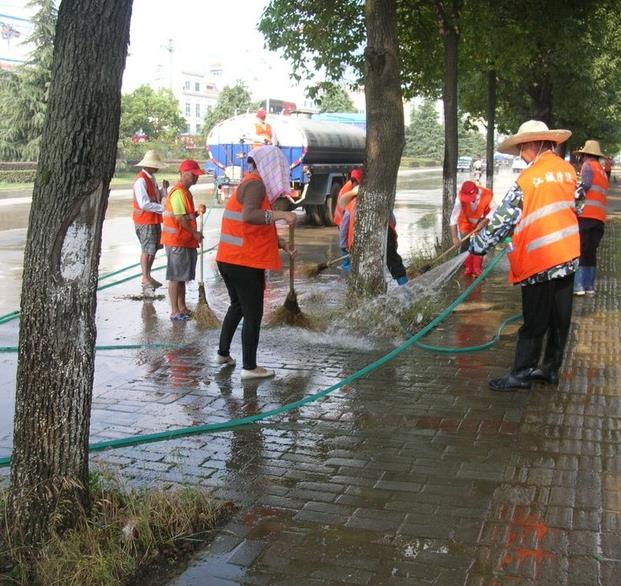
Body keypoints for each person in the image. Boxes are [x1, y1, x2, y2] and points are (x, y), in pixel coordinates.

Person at [469, 120, 581, 392]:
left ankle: (521, 374)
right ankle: (550, 369)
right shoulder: (569, 171)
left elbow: (503, 220)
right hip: (567, 256)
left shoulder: (527, 180)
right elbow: (579, 203)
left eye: (522, 148)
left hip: (540, 260)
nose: (520, 155)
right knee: (559, 319)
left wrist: (478, 245)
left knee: (534, 321)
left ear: (534, 143)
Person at [215, 145, 297, 380]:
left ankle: (223, 353)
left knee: (238, 307)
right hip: (243, 263)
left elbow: (252, 226)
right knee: (253, 314)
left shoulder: (250, 182)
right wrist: (282, 215)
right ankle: (249, 367)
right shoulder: (256, 184)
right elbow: (249, 216)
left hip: (230, 259)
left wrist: (279, 243)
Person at [338, 169, 408, 285]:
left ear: (354, 184)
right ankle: (406, 290)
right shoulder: (380, 198)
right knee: (394, 263)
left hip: (361, 239)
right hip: (386, 235)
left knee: (361, 267)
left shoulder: (352, 204)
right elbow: (393, 221)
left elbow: (344, 227)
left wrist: (343, 247)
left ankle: (360, 290)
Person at [160, 159, 207, 321]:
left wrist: (196, 213)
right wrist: (194, 233)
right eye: (194, 175)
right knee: (175, 277)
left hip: (183, 240)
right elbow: (179, 218)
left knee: (181, 277)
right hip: (177, 241)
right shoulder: (179, 192)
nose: (196, 178)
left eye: (197, 176)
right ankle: (175, 311)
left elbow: (185, 216)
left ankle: (182, 307)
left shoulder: (185, 192)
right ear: (185, 174)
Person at [572, 140, 608, 296]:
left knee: (580, 250)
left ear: (585, 155)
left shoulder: (588, 166)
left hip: (586, 216)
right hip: (599, 219)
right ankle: (589, 287)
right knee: (591, 253)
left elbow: (585, 185)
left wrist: (573, 194)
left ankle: (579, 286)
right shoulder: (601, 170)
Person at [132, 150, 169, 291]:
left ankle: (148, 275)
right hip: (144, 220)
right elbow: (144, 204)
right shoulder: (141, 180)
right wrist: (163, 208)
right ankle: (145, 277)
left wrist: (163, 189)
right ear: (150, 166)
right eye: (156, 166)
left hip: (153, 219)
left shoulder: (151, 179)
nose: (157, 168)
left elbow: (156, 196)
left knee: (153, 249)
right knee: (147, 250)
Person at [450, 180, 494, 277]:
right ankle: (467, 268)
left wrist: (484, 221)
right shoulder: (459, 196)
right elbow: (453, 216)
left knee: (480, 243)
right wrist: (454, 237)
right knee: (465, 244)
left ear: (476, 192)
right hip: (465, 221)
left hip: (481, 221)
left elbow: (494, 210)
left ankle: (477, 269)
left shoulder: (487, 194)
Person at [334, 168, 362, 269]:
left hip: (344, 218)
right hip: (342, 219)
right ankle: (346, 263)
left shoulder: (351, 189)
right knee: (344, 240)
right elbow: (344, 228)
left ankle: (347, 263)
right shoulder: (351, 196)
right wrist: (344, 246)